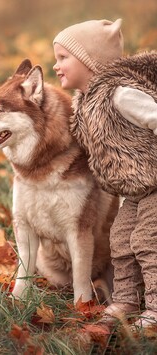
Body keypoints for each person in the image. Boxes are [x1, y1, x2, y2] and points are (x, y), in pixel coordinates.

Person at [53, 18, 157, 330]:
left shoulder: (120, 95)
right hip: (136, 189)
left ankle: (155, 308)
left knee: (148, 241)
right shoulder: (83, 103)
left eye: (62, 58)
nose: (56, 66)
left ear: (88, 59)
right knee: (120, 241)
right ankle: (126, 299)